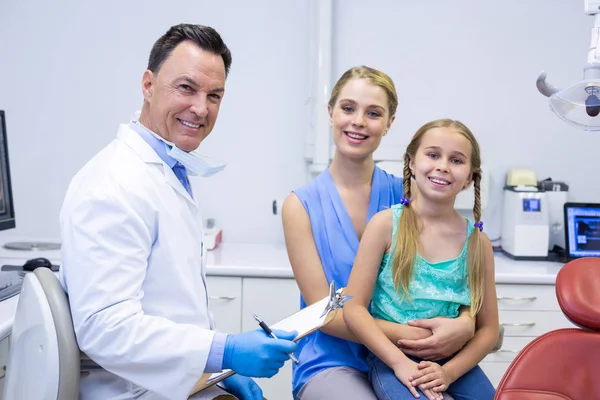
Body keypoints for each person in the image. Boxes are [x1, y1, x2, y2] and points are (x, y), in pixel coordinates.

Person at [59, 24, 297, 400]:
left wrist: (214, 370)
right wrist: (225, 351)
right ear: (148, 85)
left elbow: (171, 305)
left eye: (214, 95)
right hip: (129, 390)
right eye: (186, 88)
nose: (201, 108)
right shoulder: (113, 183)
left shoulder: (164, 170)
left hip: (177, 383)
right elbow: (105, 328)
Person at [281, 67, 476, 400]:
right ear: (330, 113)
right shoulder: (300, 207)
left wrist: (466, 323)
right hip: (333, 360)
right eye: (348, 108)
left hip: (416, 355)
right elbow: (323, 315)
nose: (358, 121)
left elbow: (450, 275)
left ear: (389, 123)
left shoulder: (409, 196)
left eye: (373, 113)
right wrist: (427, 335)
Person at [343, 119, 499, 400]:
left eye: (456, 160)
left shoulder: (477, 242)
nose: (442, 166)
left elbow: (488, 330)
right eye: (433, 155)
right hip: (392, 358)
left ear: (470, 178)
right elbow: (353, 308)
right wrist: (398, 362)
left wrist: (449, 373)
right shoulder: (384, 226)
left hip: (455, 361)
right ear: (412, 163)